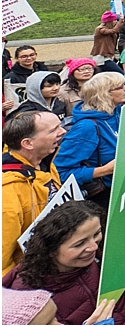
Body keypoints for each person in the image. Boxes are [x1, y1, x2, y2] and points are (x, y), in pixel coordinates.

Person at [2, 195, 125, 325]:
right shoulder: (26, 300)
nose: (93, 247)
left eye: (96, 234)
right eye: (79, 244)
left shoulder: (99, 251)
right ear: (50, 250)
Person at [2, 111, 65, 275]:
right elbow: (3, 262)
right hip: (34, 277)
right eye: (53, 130)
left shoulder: (43, 162)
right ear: (28, 143)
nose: (63, 131)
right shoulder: (7, 194)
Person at [52, 73, 125, 213]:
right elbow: (59, 172)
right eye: (120, 87)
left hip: (123, 187)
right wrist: (103, 170)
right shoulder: (86, 128)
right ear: (105, 94)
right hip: (104, 198)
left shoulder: (118, 112)